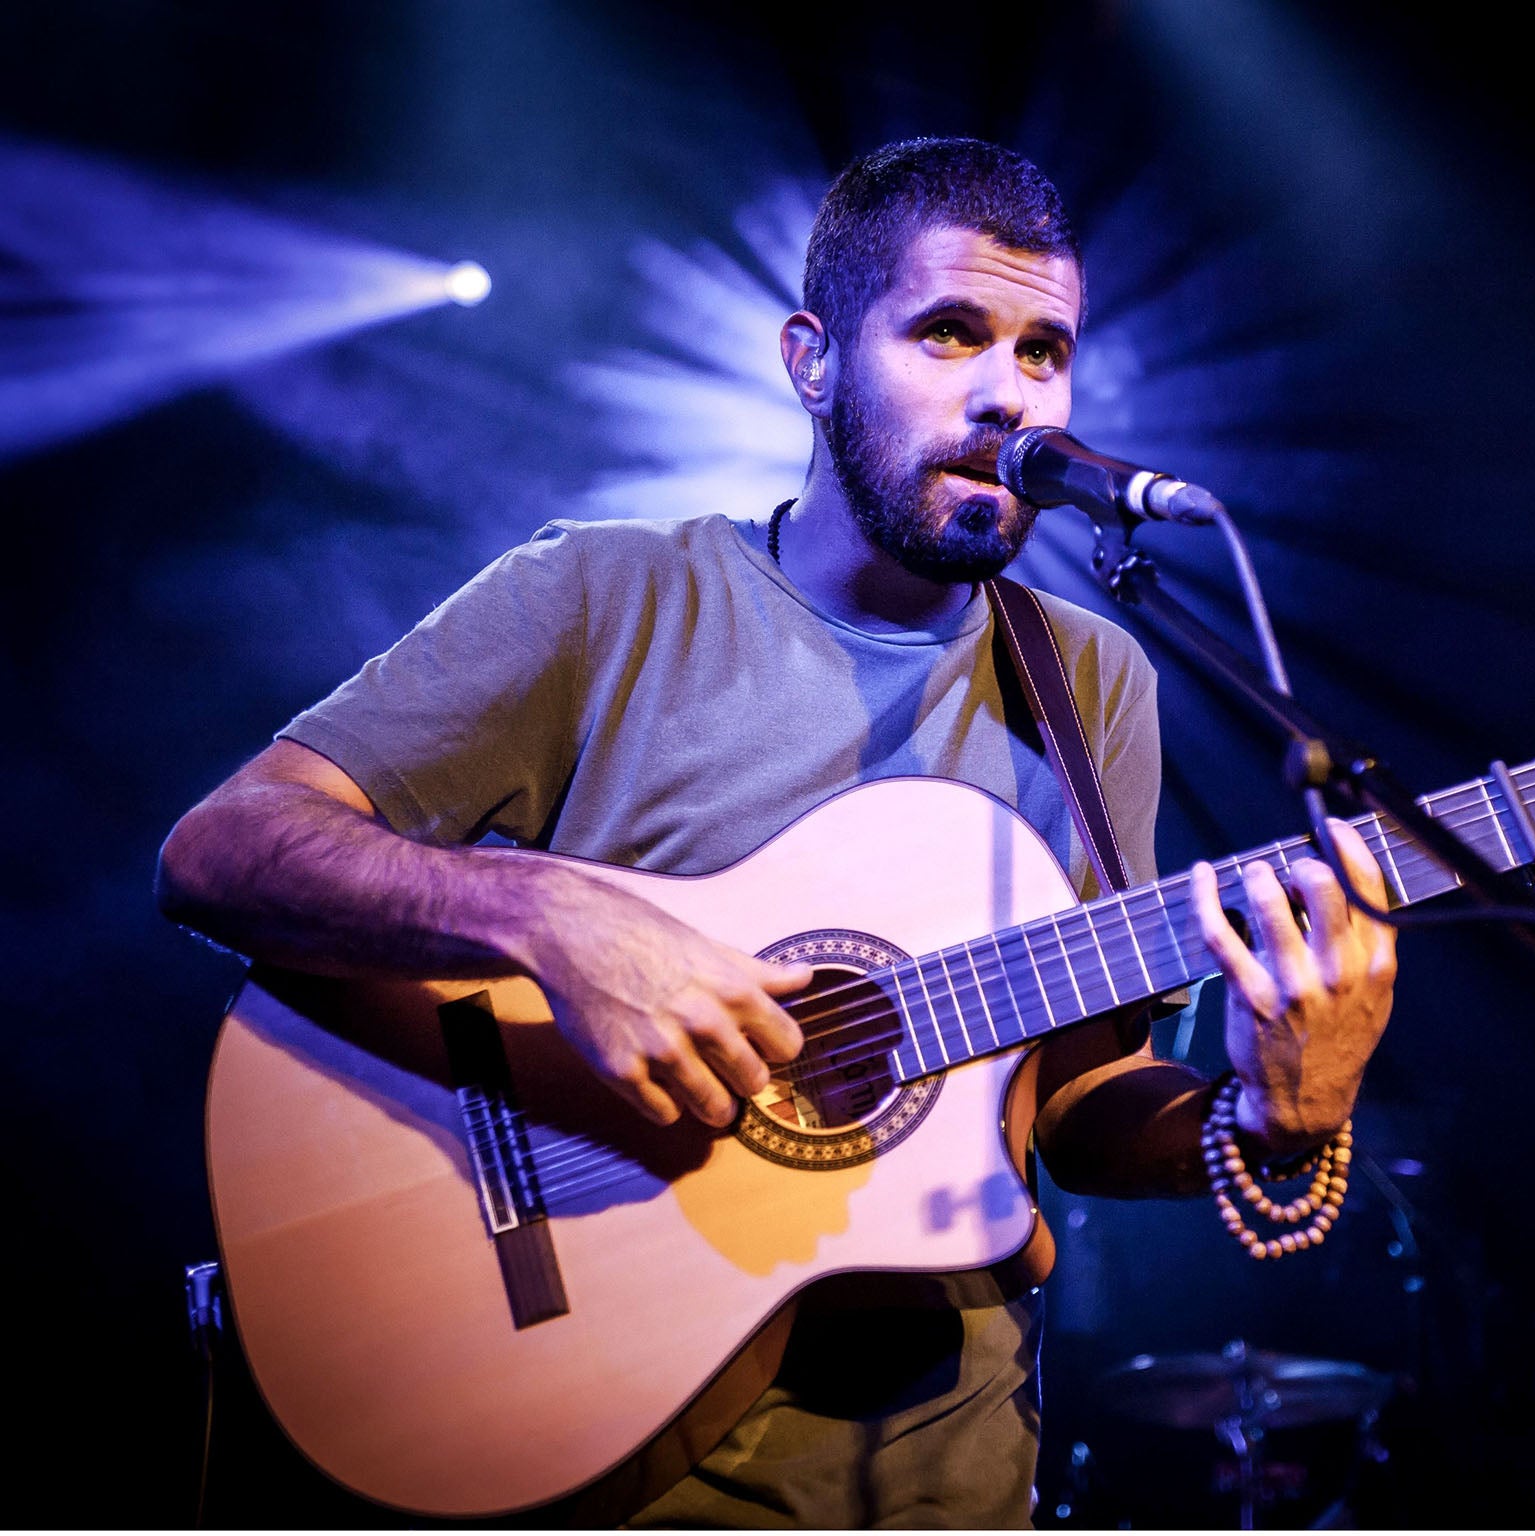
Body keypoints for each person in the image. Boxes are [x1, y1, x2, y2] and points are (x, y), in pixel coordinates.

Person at [156, 136, 1398, 1528]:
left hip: (938, 1487)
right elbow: (220, 852)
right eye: (948, 332)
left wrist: (1281, 1113)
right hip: (587, 1468)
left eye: (1045, 351)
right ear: (813, 360)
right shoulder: (603, 596)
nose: (1006, 391)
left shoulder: (1093, 679)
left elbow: (1076, 1106)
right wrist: (547, 918)